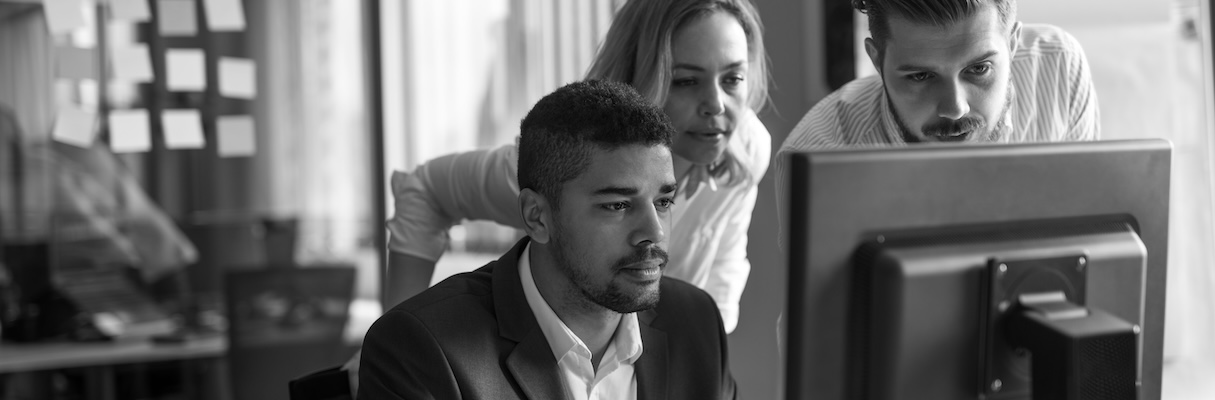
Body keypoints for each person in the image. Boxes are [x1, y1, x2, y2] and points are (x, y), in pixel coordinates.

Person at [385, 0, 771, 334]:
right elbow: (426, 189)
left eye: (733, 78)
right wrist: (397, 339)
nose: (717, 105)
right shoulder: (571, 163)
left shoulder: (745, 147)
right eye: (687, 80)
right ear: (640, 74)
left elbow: (716, 298)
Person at [357, 80, 737, 400]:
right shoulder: (423, 348)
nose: (654, 232)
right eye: (618, 205)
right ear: (537, 216)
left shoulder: (695, 322)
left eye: (663, 201)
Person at [778, 0, 1099, 163]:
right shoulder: (818, 154)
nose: (955, 108)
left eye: (979, 69)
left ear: (1013, 44)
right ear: (878, 60)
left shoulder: (1059, 68)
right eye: (920, 76)